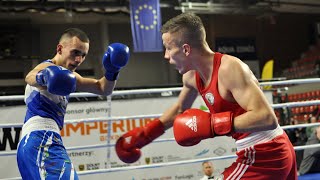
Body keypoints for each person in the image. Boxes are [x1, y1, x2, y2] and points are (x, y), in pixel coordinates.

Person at [115, 13, 297, 179]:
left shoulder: (230, 68)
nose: (166, 56)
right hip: (260, 150)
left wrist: (213, 125)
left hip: (267, 152)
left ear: (186, 49)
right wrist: (144, 136)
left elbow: (266, 117)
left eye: (169, 49)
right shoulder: (191, 76)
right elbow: (179, 109)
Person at [16, 28, 129, 179]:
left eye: (83, 55)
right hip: (41, 138)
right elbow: (30, 77)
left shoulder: (70, 76)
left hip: (34, 141)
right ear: (59, 49)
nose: (79, 60)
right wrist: (44, 77)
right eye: (75, 52)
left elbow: (102, 88)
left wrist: (112, 70)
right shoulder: (48, 68)